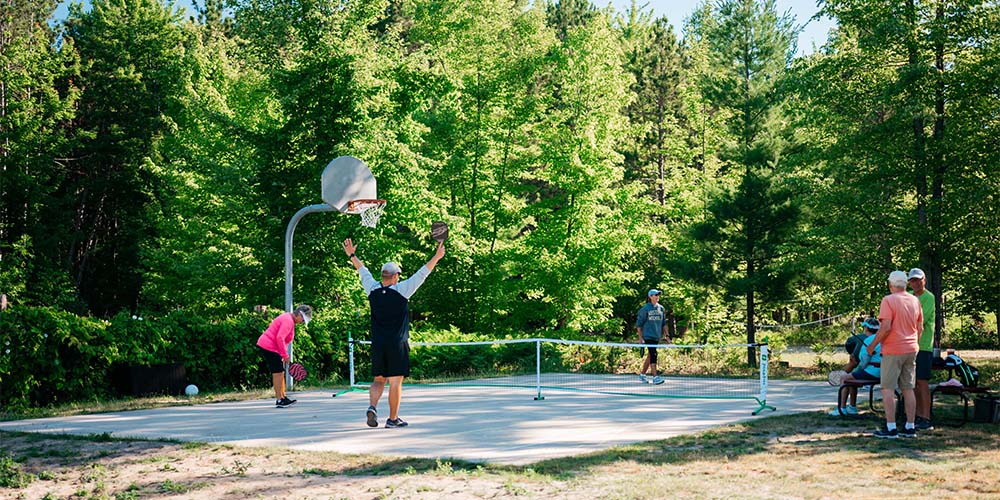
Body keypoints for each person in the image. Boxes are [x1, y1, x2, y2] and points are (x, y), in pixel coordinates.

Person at [343, 237, 445, 428]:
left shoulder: (372, 290)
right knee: (395, 382)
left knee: (378, 380)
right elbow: (422, 273)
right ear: (396, 276)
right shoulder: (402, 290)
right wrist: (437, 257)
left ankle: (372, 406)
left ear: (382, 276)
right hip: (397, 344)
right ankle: (392, 419)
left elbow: (362, 270)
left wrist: (352, 255)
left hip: (378, 344)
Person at [868, 270, 923, 438]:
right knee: (908, 388)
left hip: (893, 350)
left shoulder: (888, 300)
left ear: (891, 285)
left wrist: (872, 345)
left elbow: (886, 327)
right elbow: (920, 327)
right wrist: (915, 343)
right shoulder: (915, 300)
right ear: (905, 284)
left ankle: (891, 428)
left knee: (888, 389)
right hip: (911, 348)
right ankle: (910, 426)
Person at [256, 304, 312, 408]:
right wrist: (284, 355)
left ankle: (283, 397)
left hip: (272, 348)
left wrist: (282, 354)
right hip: (269, 346)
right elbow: (280, 338)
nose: (302, 322)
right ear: (299, 314)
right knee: (277, 373)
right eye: (303, 320)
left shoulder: (288, 318)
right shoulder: (288, 321)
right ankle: (279, 400)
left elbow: (282, 340)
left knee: (280, 372)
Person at [829, 318, 882, 416]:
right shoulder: (883, 339)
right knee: (852, 378)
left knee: (845, 378)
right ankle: (852, 408)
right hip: (886, 372)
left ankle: (842, 408)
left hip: (873, 373)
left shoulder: (868, 340)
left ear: (866, 328)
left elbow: (864, 362)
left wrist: (857, 369)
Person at [908, 268, 936, 430]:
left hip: (923, 346)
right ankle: (917, 415)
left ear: (924, 280)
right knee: (912, 383)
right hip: (910, 345)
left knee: (922, 382)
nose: (916, 283)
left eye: (918, 280)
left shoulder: (929, 297)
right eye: (913, 280)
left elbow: (920, 319)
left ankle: (926, 417)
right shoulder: (910, 297)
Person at [636, 289, 670, 385]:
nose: (657, 296)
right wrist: (640, 339)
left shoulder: (661, 309)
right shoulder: (645, 309)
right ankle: (655, 377)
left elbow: (664, 324)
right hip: (648, 336)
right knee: (654, 354)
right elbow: (639, 325)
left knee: (650, 355)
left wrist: (667, 336)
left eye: (658, 295)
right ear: (650, 296)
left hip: (656, 336)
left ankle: (642, 374)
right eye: (655, 295)